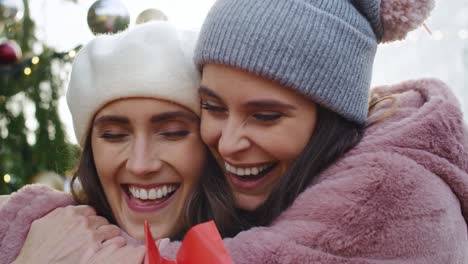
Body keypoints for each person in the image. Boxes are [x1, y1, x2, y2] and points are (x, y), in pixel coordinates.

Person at [156, 0, 468, 263]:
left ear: (334, 117)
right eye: (213, 107)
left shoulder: (397, 199)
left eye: (265, 116)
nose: (228, 143)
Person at [0, 21, 207, 264]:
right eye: (113, 135)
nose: (140, 165)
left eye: (172, 133)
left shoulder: (258, 249)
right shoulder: (22, 225)